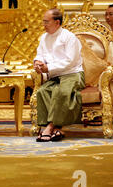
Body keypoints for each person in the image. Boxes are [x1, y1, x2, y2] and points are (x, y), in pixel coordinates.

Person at [33, 9, 85, 142]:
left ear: (57, 22)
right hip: (55, 75)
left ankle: (49, 127)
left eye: (46, 22)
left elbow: (70, 61)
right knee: (42, 91)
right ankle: (55, 129)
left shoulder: (69, 37)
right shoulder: (44, 37)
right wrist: (38, 63)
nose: (43, 25)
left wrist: (48, 67)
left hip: (72, 73)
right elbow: (40, 54)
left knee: (61, 92)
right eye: (43, 22)